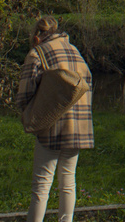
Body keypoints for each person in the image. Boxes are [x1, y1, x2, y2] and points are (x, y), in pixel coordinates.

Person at [16, 16, 93, 222]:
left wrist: (28, 114)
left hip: (51, 124)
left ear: (37, 35)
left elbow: (24, 94)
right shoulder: (75, 52)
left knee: (41, 185)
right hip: (78, 125)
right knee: (68, 182)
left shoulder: (38, 53)